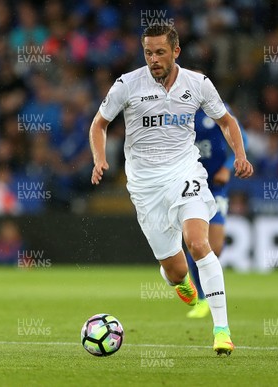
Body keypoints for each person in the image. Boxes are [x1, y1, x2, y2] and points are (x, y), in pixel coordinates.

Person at [89, 25, 253, 355]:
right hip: (145, 186)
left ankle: (222, 331)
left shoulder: (198, 83)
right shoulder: (127, 84)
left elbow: (227, 121)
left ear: (176, 51)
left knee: (198, 243)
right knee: (176, 270)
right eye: (148, 52)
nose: (153, 59)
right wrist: (99, 159)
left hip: (185, 172)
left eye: (160, 52)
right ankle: (180, 282)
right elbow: (99, 124)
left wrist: (240, 155)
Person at [185, 105, 247, 319]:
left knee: (215, 247)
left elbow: (243, 140)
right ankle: (202, 298)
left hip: (215, 186)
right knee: (196, 242)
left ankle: (204, 293)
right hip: (190, 184)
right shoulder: (178, 112)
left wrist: (226, 168)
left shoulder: (216, 109)